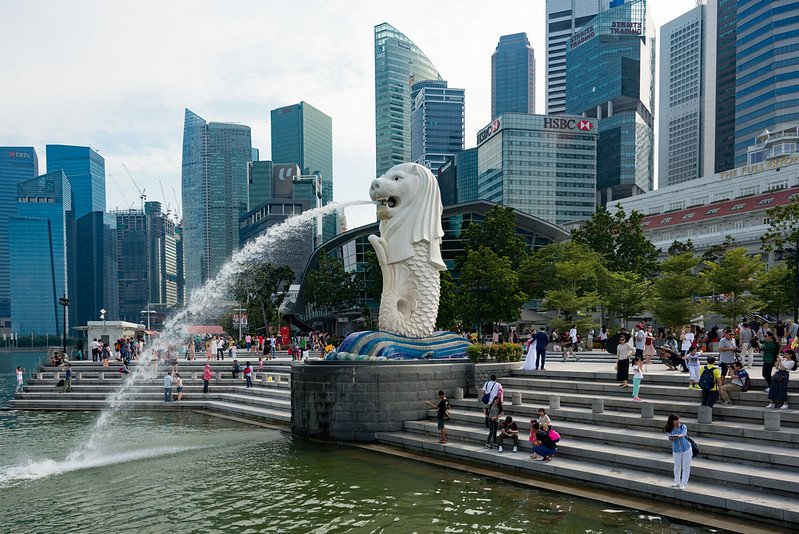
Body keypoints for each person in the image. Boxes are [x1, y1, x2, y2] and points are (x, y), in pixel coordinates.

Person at [665, 414, 691, 489]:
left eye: (678, 419)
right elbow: (670, 437)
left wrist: (676, 436)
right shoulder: (669, 429)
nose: (678, 421)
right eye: (676, 420)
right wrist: (672, 437)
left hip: (686, 449)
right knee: (676, 467)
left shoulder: (683, 427)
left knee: (686, 467)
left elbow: (683, 434)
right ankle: (676, 481)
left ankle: (683, 483)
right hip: (676, 450)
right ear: (672, 421)